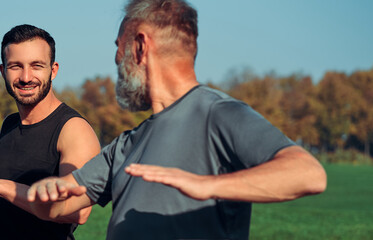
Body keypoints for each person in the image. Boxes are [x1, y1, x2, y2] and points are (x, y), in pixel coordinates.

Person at [25, 1, 327, 239]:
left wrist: (206, 185)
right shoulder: (128, 144)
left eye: (119, 46)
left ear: (141, 47)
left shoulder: (217, 113)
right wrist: (44, 191)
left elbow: (308, 174)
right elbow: (61, 206)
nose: (116, 59)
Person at [0, 24, 100, 240]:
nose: (26, 77)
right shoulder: (10, 124)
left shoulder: (73, 130)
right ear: (3, 71)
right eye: (15, 66)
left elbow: (77, 211)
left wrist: (2, 187)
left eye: (36, 66)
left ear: (53, 70)